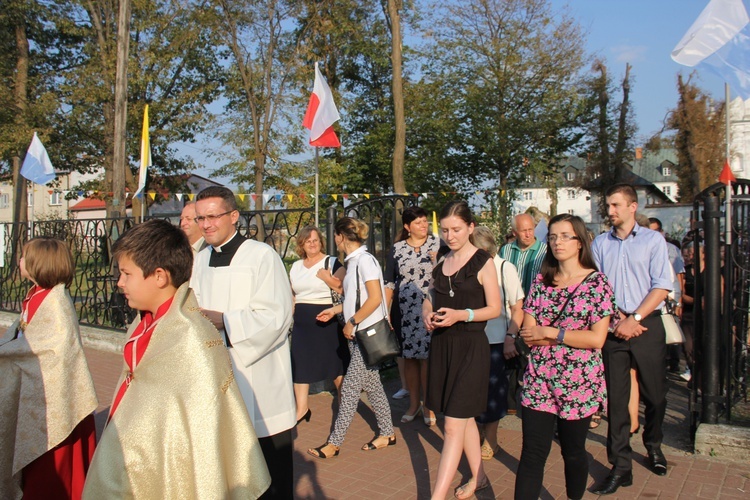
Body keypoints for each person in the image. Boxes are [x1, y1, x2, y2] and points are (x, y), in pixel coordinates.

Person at [190, 186, 295, 499]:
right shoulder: (200, 258)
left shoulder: (262, 256)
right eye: (200, 218)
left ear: (233, 216)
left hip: (259, 379)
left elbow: (277, 316)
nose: (206, 224)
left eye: (213, 216)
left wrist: (225, 320)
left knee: (271, 477)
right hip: (215, 376)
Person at [514, 214, 614, 500]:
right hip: (539, 378)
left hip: (578, 381)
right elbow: (529, 331)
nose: (558, 242)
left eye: (565, 236)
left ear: (580, 241)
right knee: (532, 453)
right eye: (553, 236)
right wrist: (555, 334)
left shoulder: (597, 284)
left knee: (572, 451)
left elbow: (596, 338)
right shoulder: (542, 280)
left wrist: (553, 333)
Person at [0, 237, 98, 499]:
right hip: (35, 394)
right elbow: (23, 337)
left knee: (50, 474)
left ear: (38, 263)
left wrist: (7, 354)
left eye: (23, 256)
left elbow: (53, 352)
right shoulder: (36, 294)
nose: (19, 260)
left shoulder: (54, 302)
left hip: (55, 405)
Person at [591, 184, 673, 495]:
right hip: (613, 328)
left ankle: (653, 445)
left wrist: (634, 319)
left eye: (614, 205)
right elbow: (597, 287)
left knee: (656, 395)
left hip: (646, 325)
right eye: (608, 205)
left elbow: (662, 286)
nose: (609, 211)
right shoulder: (601, 243)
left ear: (632, 207)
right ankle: (620, 466)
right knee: (616, 401)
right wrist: (616, 320)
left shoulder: (653, 240)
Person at [423, 201, 502, 500]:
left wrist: (462, 314)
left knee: (453, 424)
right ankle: (478, 477)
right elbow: (430, 296)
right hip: (443, 346)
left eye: (456, 229)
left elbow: (494, 308)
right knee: (463, 417)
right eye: (444, 230)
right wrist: (426, 313)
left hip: (471, 347)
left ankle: (436, 496)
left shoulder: (484, 261)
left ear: (470, 227)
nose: (449, 235)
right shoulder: (442, 260)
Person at [308, 217, 396, 459]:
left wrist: (352, 321)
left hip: (364, 333)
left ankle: (334, 444)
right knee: (374, 386)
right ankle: (387, 433)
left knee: (348, 390)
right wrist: (336, 311)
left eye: (334, 237)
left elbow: (376, 298)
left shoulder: (364, 261)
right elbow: (354, 298)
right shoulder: (355, 261)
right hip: (358, 334)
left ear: (340, 236)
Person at [471, 226, 524, 460]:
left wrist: (511, 337)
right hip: (471, 340)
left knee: (493, 392)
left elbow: (517, 308)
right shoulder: (470, 268)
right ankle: (477, 436)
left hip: (496, 340)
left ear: (484, 249)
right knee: (473, 392)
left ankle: (491, 440)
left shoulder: (505, 268)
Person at [384, 206, 441, 427]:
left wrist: (438, 260)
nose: (423, 225)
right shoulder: (397, 249)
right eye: (418, 222)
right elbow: (389, 281)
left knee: (427, 359)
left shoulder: (438, 244)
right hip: (404, 311)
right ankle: (413, 404)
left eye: (425, 221)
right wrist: (386, 311)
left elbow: (448, 274)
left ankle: (428, 405)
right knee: (409, 358)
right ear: (407, 227)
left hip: (430, 310)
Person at [289, 225, 348, 424]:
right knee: (300, 364)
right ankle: (302, 408)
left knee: (334, 365)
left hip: (326, 319)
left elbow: (342, 289)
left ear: (321, 242)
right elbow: (292, 293)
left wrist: (326, 277)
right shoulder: (296, 266)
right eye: (308, 241)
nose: (312, 244)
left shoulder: (331, 262)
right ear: (302, 245)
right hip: (302, 322)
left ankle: (344, 405)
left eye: (315, 240)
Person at [499, 212, 548, 414]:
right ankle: (511, 402)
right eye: (523, 230)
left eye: (531, 229)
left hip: (535, 311)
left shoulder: (545, 251)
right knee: (510, 354)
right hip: (510, 310)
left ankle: (534, 399)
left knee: (532, 355)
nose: (528, 234)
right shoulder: (506, 250)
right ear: (514, 232)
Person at [648, 217, 685, 373]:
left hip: (664, 303)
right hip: (645, 306)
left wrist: (679, 302)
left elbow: (678, 276)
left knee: (668, 337)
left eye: (655, 231)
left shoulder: (670, 249)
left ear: (661, 232)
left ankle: (673, 364)